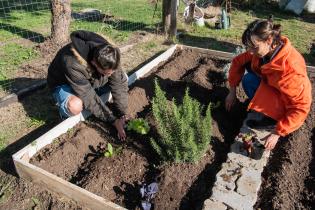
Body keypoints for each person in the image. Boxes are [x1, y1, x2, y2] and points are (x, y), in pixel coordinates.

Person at [225, 19, 312, 150]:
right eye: (248, 46)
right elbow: (238, 61)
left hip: (287, 104)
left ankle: (272, 120)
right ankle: (266, 109)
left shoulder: (291, 70)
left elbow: (301, 107)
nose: (249, 51)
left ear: (269, 41)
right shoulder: (264, 50)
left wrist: (278, 132)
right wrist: (232, 91)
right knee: (249, 80)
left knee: (250, 81)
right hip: (273, 89)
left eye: (253, 47)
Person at [47, 30, 128, 140]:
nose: (111, 74)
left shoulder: (110, 53)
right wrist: (113, 121)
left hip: (87, 81)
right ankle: (64, 110)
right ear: (94, 63)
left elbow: (118, 82)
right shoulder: (72, 62)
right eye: (107, 73)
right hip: (63, 83)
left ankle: (94, 99)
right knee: (75, 106)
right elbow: (88, 95)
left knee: (123, 78)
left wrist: (121, 114)